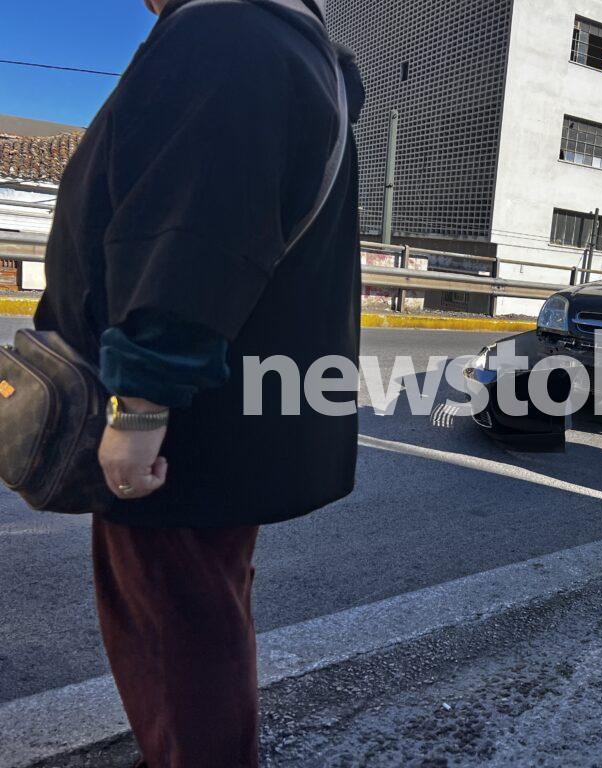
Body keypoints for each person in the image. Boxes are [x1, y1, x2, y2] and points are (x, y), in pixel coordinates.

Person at [33, 0, 364, 764]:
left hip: (183, 424)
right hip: (220, 412)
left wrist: (142, 403)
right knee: (200, 614)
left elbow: (195, 233)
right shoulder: (294, 50)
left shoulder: (225, 34)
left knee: (172, 634)